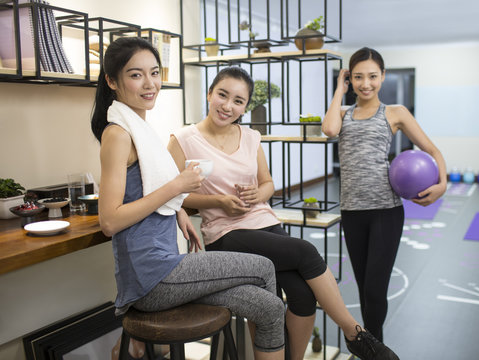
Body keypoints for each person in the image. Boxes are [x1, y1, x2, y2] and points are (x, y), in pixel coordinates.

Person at [167, 66, 399, 360]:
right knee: (305, 251)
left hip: (264, 222)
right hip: (226, 233)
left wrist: (258, 195)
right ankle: (355, 333)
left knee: (302, 296)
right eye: (222, 95)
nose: (227, 106)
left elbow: (268, 184)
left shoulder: (251, 137)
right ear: (210, 93)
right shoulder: (183, 139)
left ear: (245, 106)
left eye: (238, 101)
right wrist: (218, 202)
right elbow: (171, 193)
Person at [91, 37, 285, 360]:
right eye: (136, 75)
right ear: (112, 80)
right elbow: (109, 221)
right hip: (154, 278)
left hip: (165, 267)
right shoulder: (118, 134)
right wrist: (176, 187)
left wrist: (177, 209)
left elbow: (143, 189)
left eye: (155, 73)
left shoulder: (139, 126)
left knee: (270, 307)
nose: (150, 83)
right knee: (265, 268)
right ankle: (139, 342)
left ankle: (142, 345)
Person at [322, 47, 447, 342]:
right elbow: (329, 130)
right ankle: (373, 347)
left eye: (373, 76)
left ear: (383, 77)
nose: (366, 84)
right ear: (349, 79)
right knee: (365, 287)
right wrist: (339, 90)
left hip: (385, 211)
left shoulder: (395, 113)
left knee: (375, 290)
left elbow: (432, 150)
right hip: (352, 212)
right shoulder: (341, 113)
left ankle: (374, 348)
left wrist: (442, 185)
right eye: (358, 77)